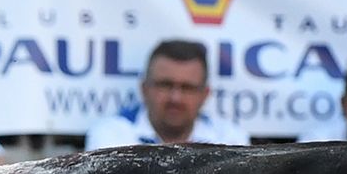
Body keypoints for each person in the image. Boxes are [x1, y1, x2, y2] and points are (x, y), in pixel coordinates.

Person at [84, 39, 246, 148]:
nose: (175, 98)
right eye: (165, 85)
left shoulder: (229, 139)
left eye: (187, 88)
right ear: (144, 88)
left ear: (205, 95)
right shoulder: (111, 134)